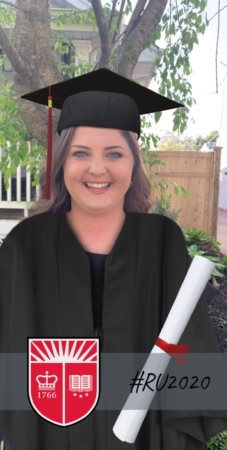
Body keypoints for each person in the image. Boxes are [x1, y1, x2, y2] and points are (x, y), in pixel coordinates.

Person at [0, 68, 227, 450]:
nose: (97, 168)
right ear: (62, 163)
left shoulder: (161, 240)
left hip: (145, 437)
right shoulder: (26, 244)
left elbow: (190, 353)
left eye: (114, 153)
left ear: (133, 164)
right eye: (81, 153)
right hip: (50, 434)